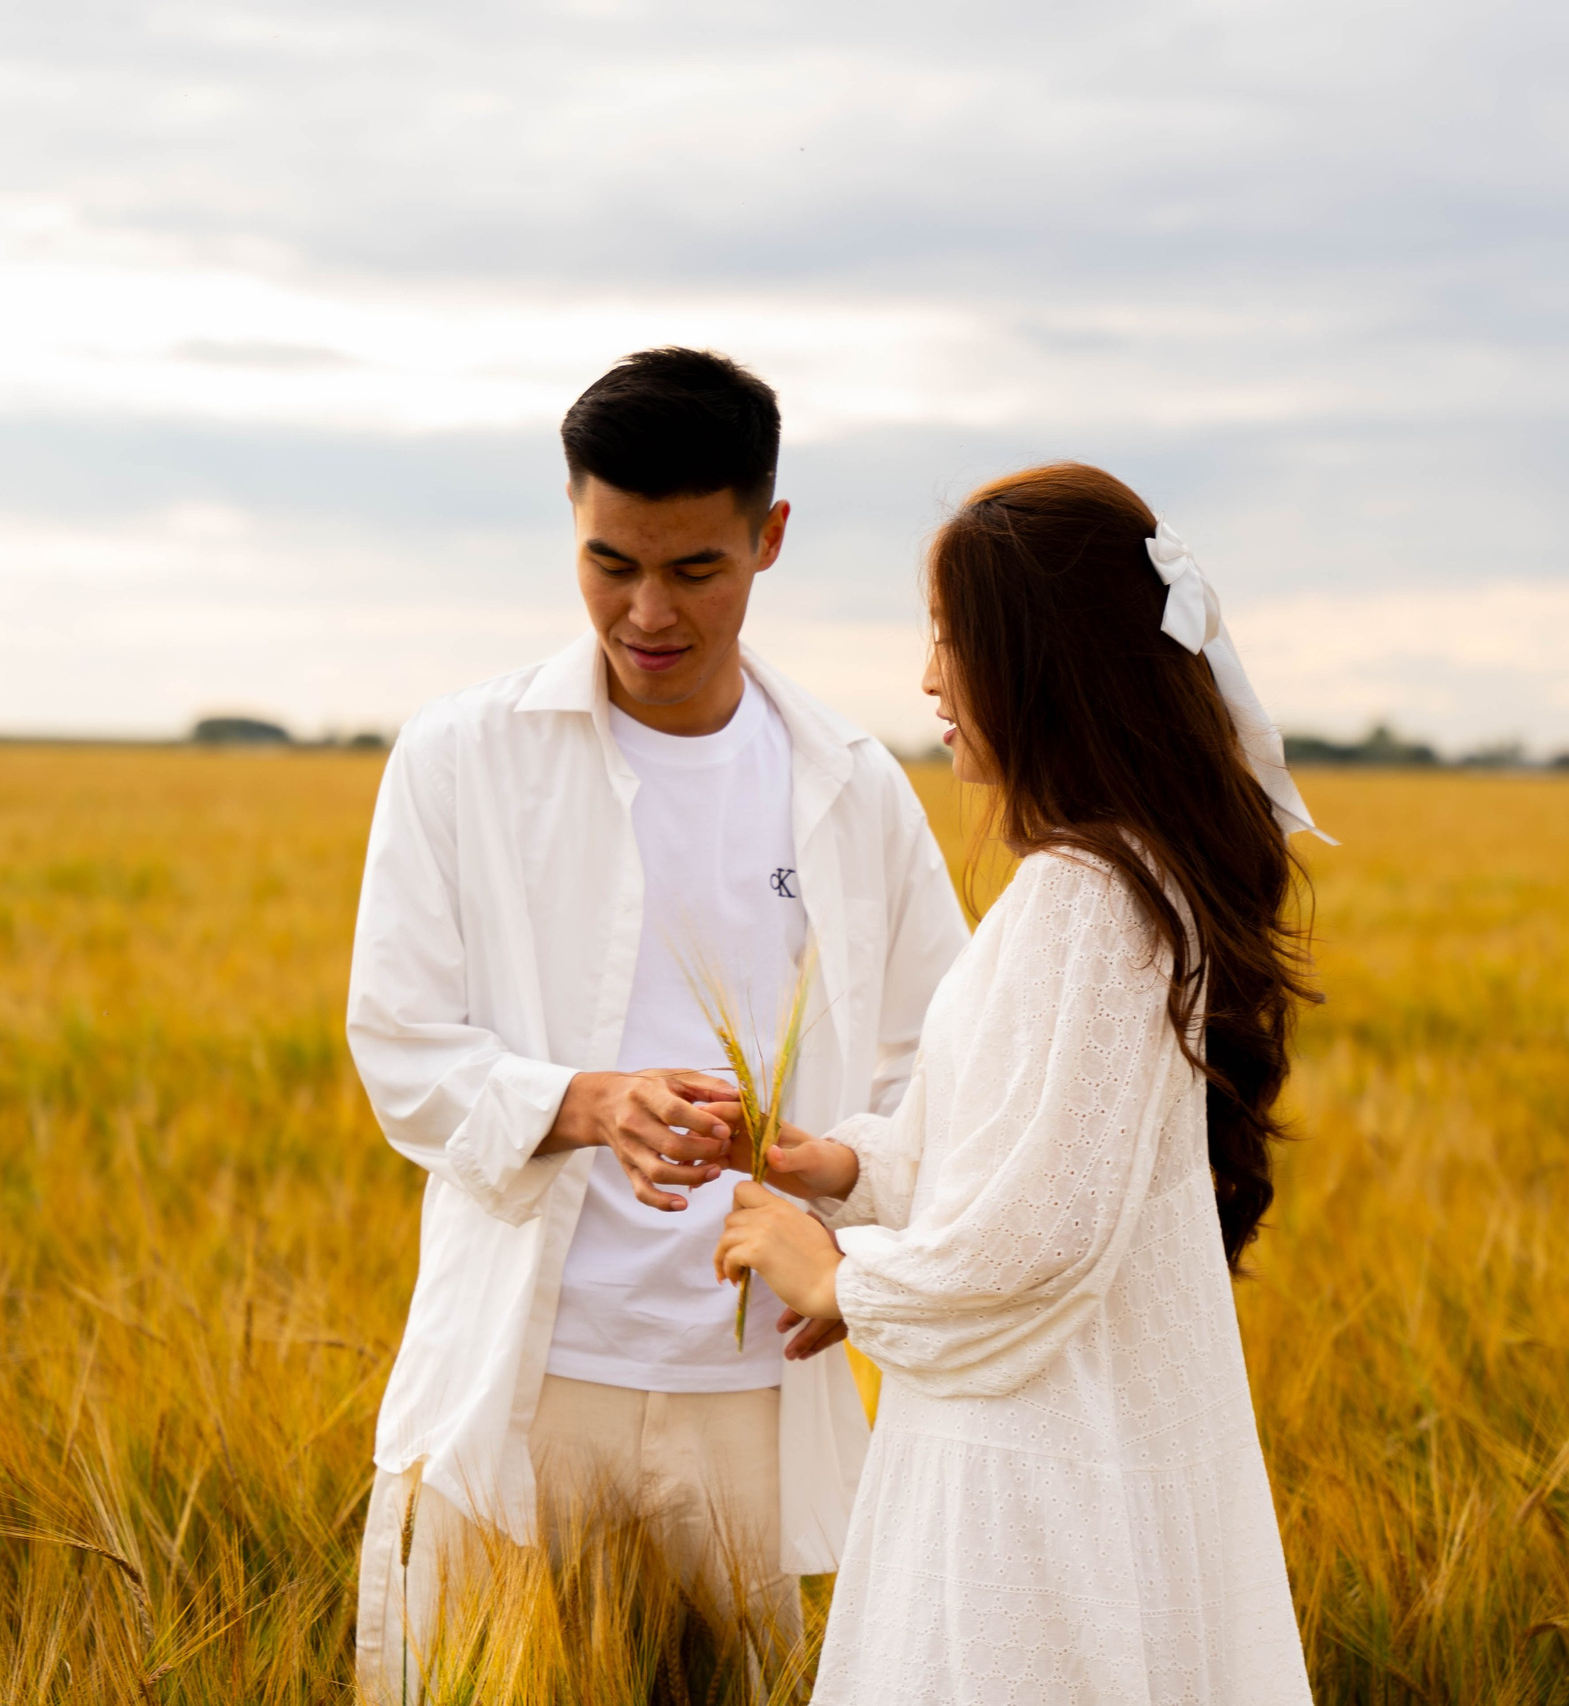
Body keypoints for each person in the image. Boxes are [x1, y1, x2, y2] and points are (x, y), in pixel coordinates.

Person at [344, 347, 969, 1703]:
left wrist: (839, 1197)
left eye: (695, 568)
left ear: (770, 537)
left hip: (752, 1388)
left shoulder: (857, 790)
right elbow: (400, 1046)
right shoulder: (459, 759)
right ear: (571, 523)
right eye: (607, 560)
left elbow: (947, 1073)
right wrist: (589, 1102)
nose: (645, 611)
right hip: (522, 1372)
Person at [715, 462, 1328, 1704]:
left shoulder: (1083, 897)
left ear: (1040, 662)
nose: (930, 679)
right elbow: (1022, 1144)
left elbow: (1042, 1232)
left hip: (1031, 1481)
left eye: (951, 642)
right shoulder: (1109, 878)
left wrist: (839, 1273)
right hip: (1055, 1441)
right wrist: (851, 1167)